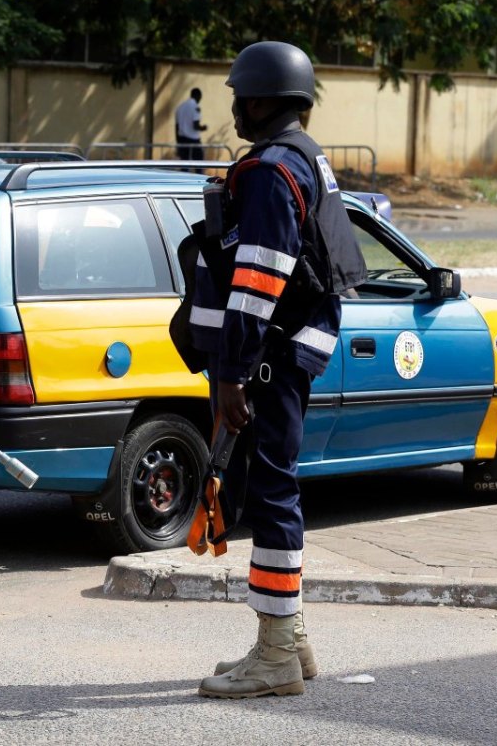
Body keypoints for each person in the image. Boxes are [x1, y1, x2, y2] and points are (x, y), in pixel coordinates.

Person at [185, 42, 367, 697]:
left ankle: (275, 655)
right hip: (292, 348)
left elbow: (257, 281)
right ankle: (288, 641)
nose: (232, 105)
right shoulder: (306, 157)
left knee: (271, 496)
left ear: (261, 99)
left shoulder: (266, 171)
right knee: (275, 490)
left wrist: (233, 372)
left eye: (239, 94)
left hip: (268, 358)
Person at [175, 87, 208, 160]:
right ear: (198, 96)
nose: (199, 100)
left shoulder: (180, 107)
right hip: (193, 140)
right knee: (199, 163)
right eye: (200, 97)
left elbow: (177, 126)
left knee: (184, 164)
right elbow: (195, 126)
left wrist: (178, 142)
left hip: (182, 139)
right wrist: (203, 128)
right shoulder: (195, 107)